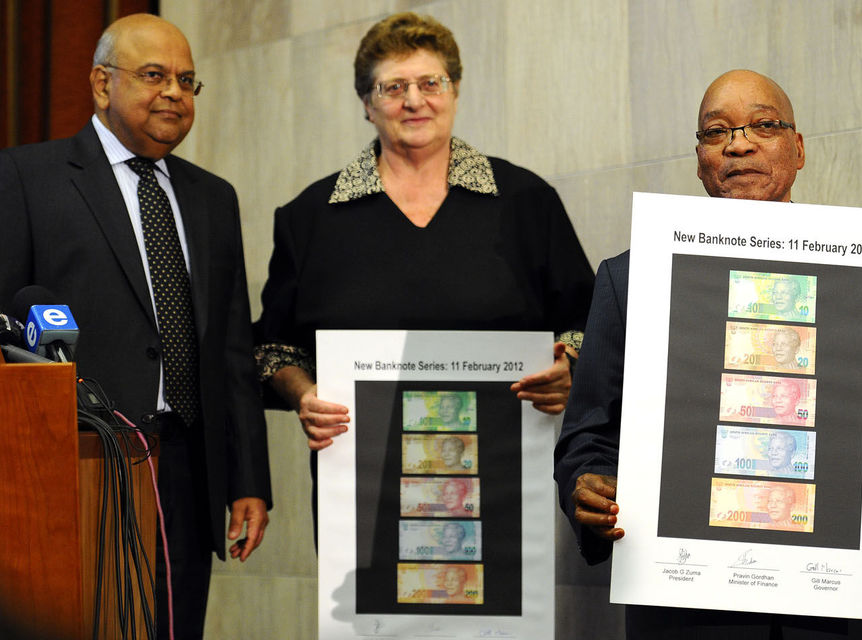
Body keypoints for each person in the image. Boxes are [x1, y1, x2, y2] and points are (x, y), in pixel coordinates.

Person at [554, 69, 862, 638]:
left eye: (763, 125)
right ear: (700, 158)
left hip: (834, 607)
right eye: (716, 132)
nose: (739, 143)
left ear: (798, 150)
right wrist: (589, 483)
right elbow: (588, 435)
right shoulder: (631, 280)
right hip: (684, 608)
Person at [253, 12, 593, 522]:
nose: (414, 100)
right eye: (393, 87)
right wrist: (306, 394)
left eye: (430, 83)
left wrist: (570, 365)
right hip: (360, 491)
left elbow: (589, 323)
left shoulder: (526, 202)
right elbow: (272, 347)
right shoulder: (310, 218)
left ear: (454, 91)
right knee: (364, 605)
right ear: (367, 104)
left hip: (502, 484)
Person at [0, 14, 271, 639]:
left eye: (187, 80)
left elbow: (232, 349)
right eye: (154, 75)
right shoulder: (26, 178)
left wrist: (248, 479)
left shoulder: (213, 198)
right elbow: (6, 322)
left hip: (186, 466)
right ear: (101, 83)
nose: (174, 92)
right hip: (79, 462)